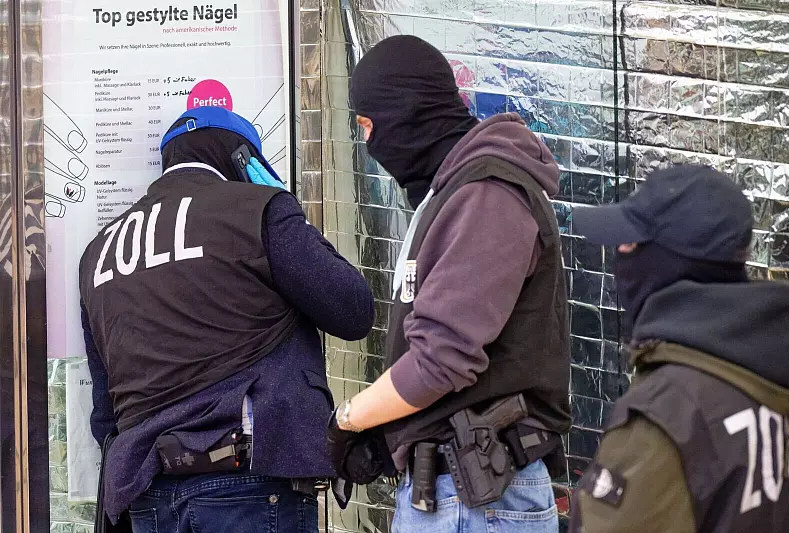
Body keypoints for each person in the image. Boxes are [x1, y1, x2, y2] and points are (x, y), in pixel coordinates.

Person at [79, 106, 374, 533]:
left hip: (149, 496)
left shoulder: (98, 254)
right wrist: (290, 214)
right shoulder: (258, 210)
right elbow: (352, 309)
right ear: (243, 160)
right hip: (249, 485)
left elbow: (106, 413)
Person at [326, 35, 572, 533]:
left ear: (405, 111)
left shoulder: (487, 193)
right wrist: (391, 432)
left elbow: (441, 359)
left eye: (370, 126)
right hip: (458, 494)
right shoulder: (456, 192)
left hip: (478, 499)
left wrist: (348, 419)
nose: (371, 145)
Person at [567, 165, 789, 533]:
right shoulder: (780, 373)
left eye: (632, 244)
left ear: (670, 261)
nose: (619, 253)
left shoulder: (668, 414)